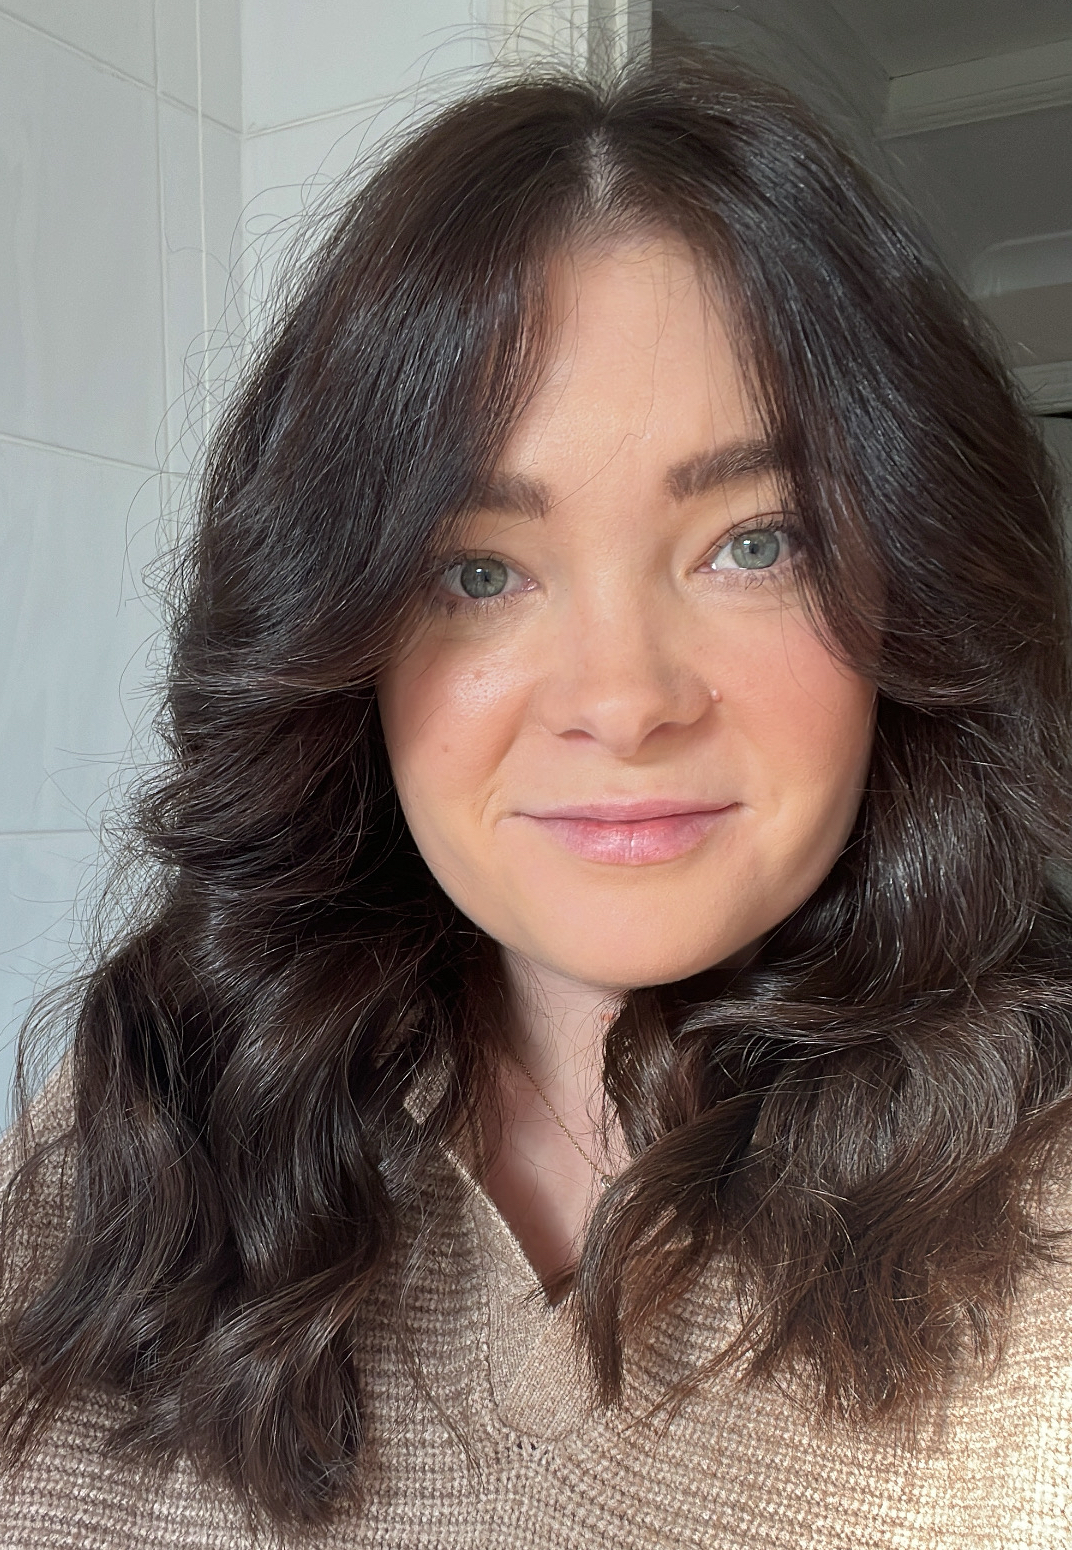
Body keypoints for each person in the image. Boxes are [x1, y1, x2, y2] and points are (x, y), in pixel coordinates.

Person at [1, 55, 1071, 1550]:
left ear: (915, 583)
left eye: (756, 542)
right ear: (345, 637)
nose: (624, 699)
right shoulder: (150, 1109)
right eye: (481, 569)